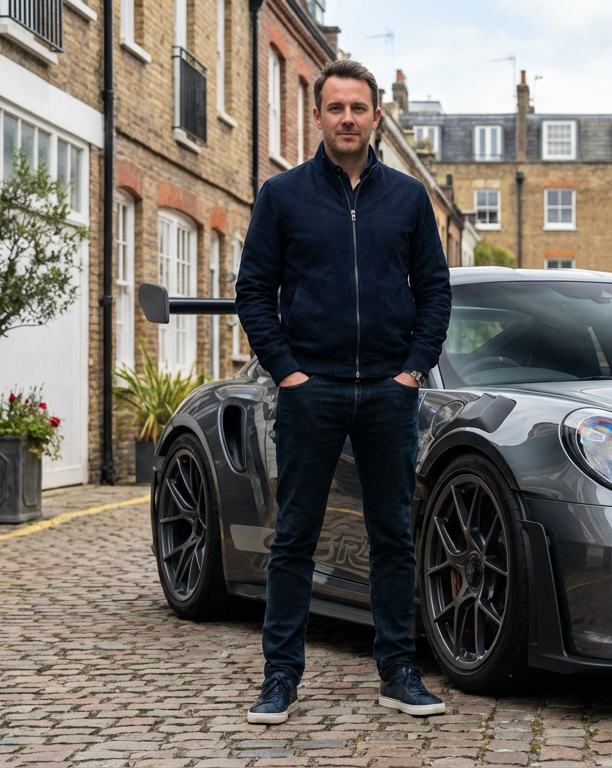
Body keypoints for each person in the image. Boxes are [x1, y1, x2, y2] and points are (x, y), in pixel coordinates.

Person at [234, 58, 452, 723]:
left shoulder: (408, 198)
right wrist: (288, 372)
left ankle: (398, 674)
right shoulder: (282, 195)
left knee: (393, 538)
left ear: (376, 116)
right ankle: (279, 679)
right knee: (294, 537)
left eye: (358, 108)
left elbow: (435, 291)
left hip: (389, 392)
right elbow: (254, 292)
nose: (348, 119)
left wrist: (412, 369)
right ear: (318, 115)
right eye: (336, 108)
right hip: (312, 391)